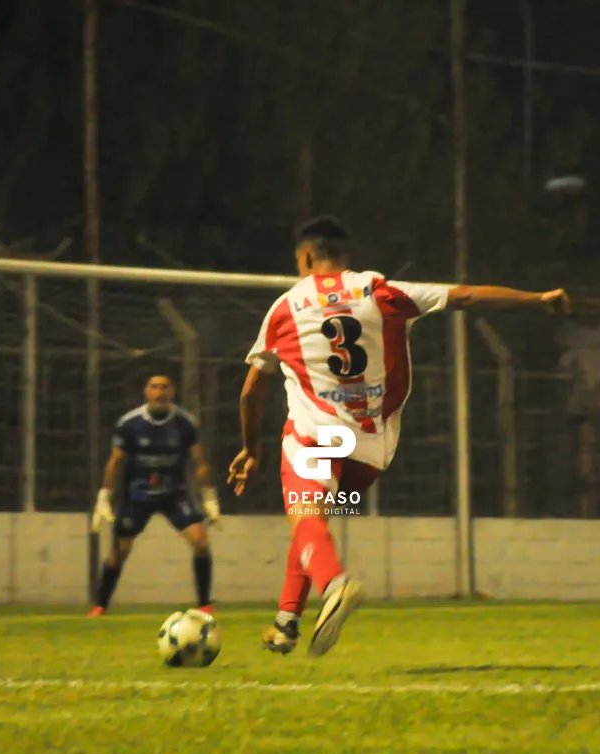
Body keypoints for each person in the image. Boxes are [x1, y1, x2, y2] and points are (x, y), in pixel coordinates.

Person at [227, 216, 570, 657]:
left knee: (305, 513)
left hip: (316, 439)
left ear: (306, 257)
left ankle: (335, 583)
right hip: (369, 450)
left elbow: (251, 390)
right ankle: (286, 620)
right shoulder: (381, 290)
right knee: (310, 520)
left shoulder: (286, 306)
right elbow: (464, 295)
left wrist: (249, 449)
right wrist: (538, 299)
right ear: (346, 258)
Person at [90, 375, 219, 616]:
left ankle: (205, 604)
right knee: (119, 552)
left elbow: (199, 461)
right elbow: (115, 462)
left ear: (173, 392)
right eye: (154, 387)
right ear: (145, 391)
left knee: (201, 542)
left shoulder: (185, 423)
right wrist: (104, 497)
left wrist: (209, 497)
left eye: (165, 387)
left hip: (174, 494)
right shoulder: (130, 423)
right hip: (138, 496)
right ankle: (100, 605)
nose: (159, 392)